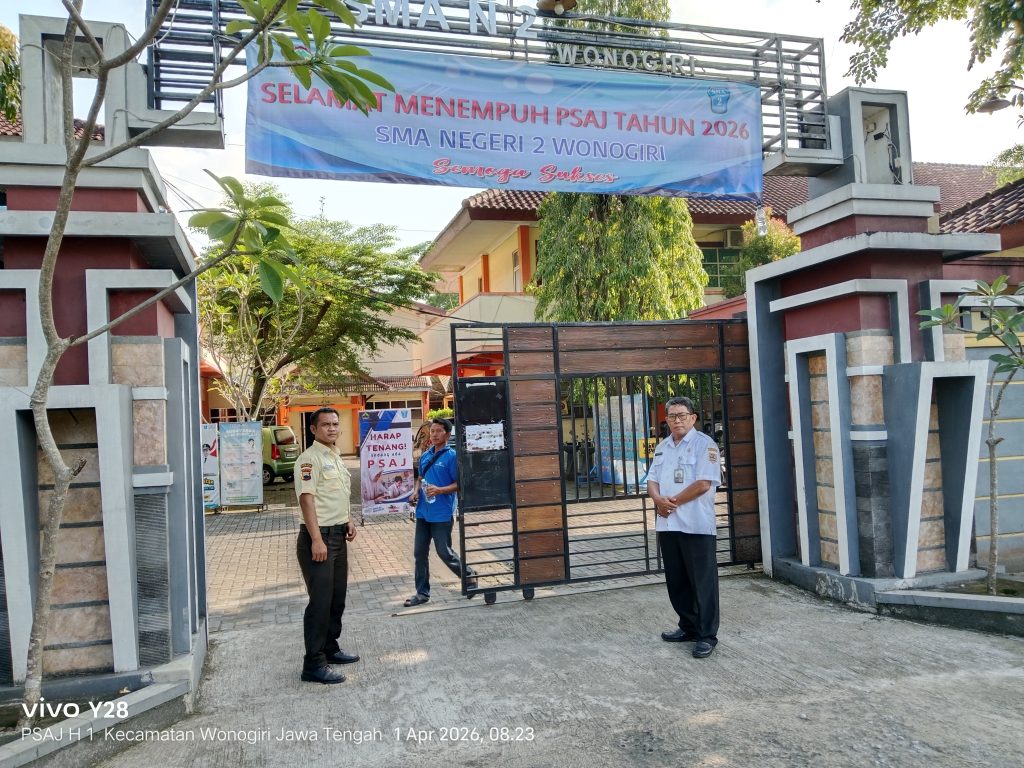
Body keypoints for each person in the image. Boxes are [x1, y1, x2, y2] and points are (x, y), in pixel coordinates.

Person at [646, 397, 722, 659]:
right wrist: (658, 500)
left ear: (693, 418)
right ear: (666, 420)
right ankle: (688, 626)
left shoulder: (705, 445)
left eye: (682, 415)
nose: (676, 420)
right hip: (668, 524)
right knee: (677, 581)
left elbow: (704, 483)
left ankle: (706, 635)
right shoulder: (662, 447)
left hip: (696, 525)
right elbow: (652, 480)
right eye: (672, 416)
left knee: (703, 582)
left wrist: (671, 502)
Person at [294, 407, 359, 684]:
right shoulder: (309, 459)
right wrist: (317, 540)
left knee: (336, 599)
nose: (332, 428)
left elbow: (337, 495)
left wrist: (348, 520)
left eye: (335, 424)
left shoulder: (335, 457)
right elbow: (306, 500)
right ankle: (313, 664)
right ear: (313, 429)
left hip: (338, 536)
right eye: (325, 425)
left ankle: (330, 648)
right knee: (320, 603)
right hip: (318, 539)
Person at [403, 418, 476, 606]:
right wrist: (415, 491)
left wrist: (440, 490)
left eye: (438, 431)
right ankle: (422, 594)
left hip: (442, 513)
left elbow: (460, 484)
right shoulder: (426, 455)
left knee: (444, 552)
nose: (434, 434)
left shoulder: (452, 457)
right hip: (423, 512)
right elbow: (420, 478)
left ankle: (468, 575)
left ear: (447, 434)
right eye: (432, 431)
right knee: (419, 554)